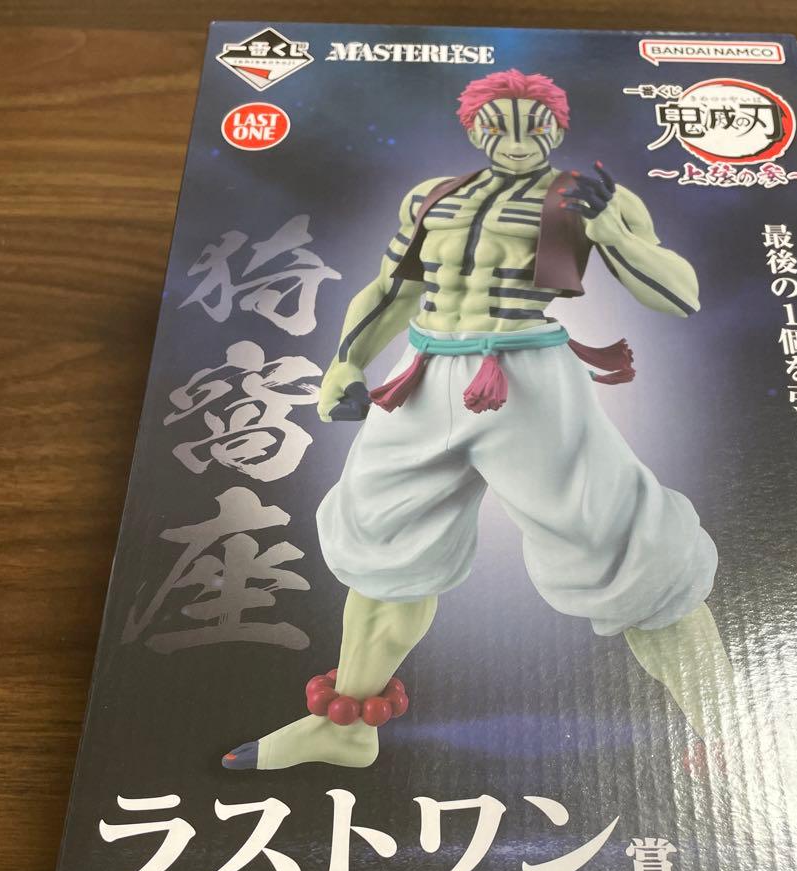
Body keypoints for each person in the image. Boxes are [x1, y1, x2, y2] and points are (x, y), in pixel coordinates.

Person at [224, 69, 732, 771]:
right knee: (382, 544)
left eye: (535, 124)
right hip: (423, 375)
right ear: (473, 127)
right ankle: (346, 727)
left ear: (558, 126)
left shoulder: (588, 198)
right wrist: (346, 362)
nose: (518, 140)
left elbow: (680, 296)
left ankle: (733, 732)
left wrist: (612, 233)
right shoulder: (432, 197)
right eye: (500, 124)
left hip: (528, 380)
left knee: (626, 548)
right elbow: (393, 290)